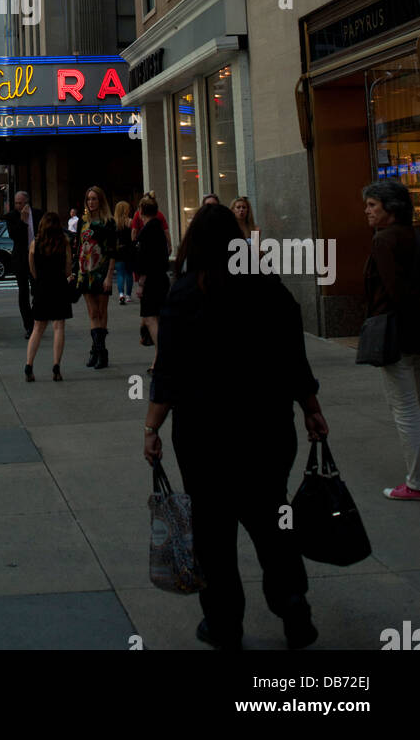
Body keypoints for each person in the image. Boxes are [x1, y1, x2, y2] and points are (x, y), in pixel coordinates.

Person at [143, 203, 328, 651]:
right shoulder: (269, 290)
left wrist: (152, 427)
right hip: (265, 429)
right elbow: (293, 359)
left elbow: (168, 371)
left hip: (204, 434)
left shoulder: (185, 294)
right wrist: (310, 407)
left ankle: (224, 623)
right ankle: (293, 603)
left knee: (212, 533)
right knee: (271, 519)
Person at [362, 180, 420, 501]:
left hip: (396, 336)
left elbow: (393, 291)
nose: (367, 211)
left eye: (373, 205)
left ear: (391, 209)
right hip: (414, 334)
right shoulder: (413, 235)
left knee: (406, 410)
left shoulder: (384, 241)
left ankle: (415, 482)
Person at [25, 212, 74, 381]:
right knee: (59, 326)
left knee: (37, 328)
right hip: (59, 286)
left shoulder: (35, 244)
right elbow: (68, 270)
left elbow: (32, 268)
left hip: (42, 287)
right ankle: (56, 366)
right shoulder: (64, 242)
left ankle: (29, 365)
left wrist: (39, 279)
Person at [73, 186, 116, 369]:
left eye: (94, 199)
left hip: (101, 271)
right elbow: (78, 248)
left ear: (101, 201)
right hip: (85, 272)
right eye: (88, 199)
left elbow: (113, 251)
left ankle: (101, 351)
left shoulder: (108, 222)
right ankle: (97, 351)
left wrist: (109, 276)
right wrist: (74, 272)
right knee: (92, 313)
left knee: (101, 311)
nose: (91, 202)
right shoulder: (82, 223)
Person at [135, 195, 171, 373]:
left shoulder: (147, 231)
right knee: (156, 318)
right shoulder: (157, 228)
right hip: (161, 278)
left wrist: (141, 283)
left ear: (141, 211)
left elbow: (145, 260)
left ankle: (163, 354)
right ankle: (157, 360)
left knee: (150, 318)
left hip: (152, 280)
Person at [5, 191, 44, 339]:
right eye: (16, 203)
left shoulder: (39, 214)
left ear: (27, 202)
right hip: (21, 259)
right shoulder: (12, 216)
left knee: (38, 291)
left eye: (21, 203)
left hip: (36, 258)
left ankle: (36, 319)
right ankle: (29, 325)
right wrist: (22, 220)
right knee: (23, 292)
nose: (18, 206)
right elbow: (14, 236)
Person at [114, 201, 135, 304]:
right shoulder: (130, 222)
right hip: (129, 251)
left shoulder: (114, 223)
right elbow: (133, 237)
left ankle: (121, 294)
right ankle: (128, 295)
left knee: (120, 274)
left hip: (119, 251)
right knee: (129, 274)